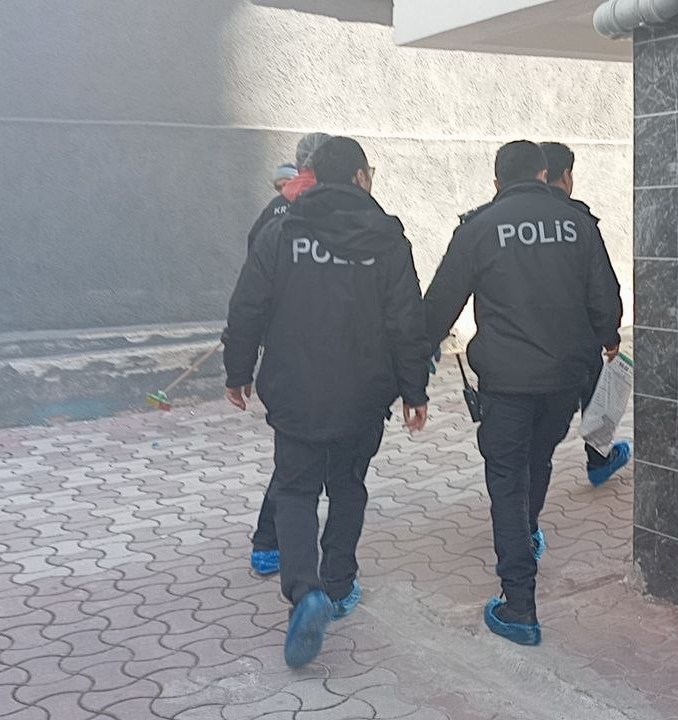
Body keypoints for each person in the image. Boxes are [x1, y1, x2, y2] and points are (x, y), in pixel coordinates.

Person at [223, 136, 431, 667]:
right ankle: (338, 584)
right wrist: (414, 390)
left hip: (295, 390)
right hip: (363, 394)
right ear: (360, 177)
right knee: (348, 485)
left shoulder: (282, 232)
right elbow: (406, 323)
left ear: (314, 175)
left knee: (295, 491)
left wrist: (238, 371)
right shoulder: (387, 240)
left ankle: (305, 591)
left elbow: (247, 306)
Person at [424, 140, 622, 646]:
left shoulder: (478, 228)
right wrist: (608, 337)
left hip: (507, 383)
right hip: (565, 379)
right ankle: (526, 535)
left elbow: (439, 306)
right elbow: (606, 298)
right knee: (538, 460)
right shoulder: (578, 223)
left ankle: (519, 606)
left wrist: (413, 370)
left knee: (508, 481)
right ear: (543, 174)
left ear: (497, 183)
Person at [245, 132, 332, 576]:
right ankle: (271, 539)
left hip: (292, 352)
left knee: (299, 456)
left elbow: (253, 282)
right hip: (321, 353)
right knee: (302, 462)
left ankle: (272, 542)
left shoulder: (277, 209)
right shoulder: (321, 211)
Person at [541, 141, 632, 487]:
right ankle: (598, 459)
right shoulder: (578, 221)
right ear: (565, 176)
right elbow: (602, 286)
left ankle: (527, 470)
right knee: (594, 394)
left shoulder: (501, 220)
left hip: (519, 344)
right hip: (577, 339)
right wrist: (609, 333)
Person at [246, 163, 298, 251]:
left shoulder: (273, 205)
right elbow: (254, 237)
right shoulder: (273, 205)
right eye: (278, 187)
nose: (283, 190)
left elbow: (253, 238)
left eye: (286, 184)